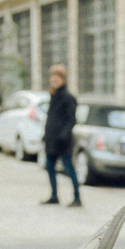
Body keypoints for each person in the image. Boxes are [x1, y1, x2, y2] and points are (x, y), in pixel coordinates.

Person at [40, 64, 81, 207]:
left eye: (57, 78)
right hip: (51, 140)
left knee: (69, 169)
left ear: (62, 79)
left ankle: (77, 197)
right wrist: (45, 135)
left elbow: (71, 119)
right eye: (52, 78)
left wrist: (63, 135)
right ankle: (54, 196)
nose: (54, 81)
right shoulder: (53, 96)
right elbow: (51, 118)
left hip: (63, 142)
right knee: (49, 168)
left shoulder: (68, 97)